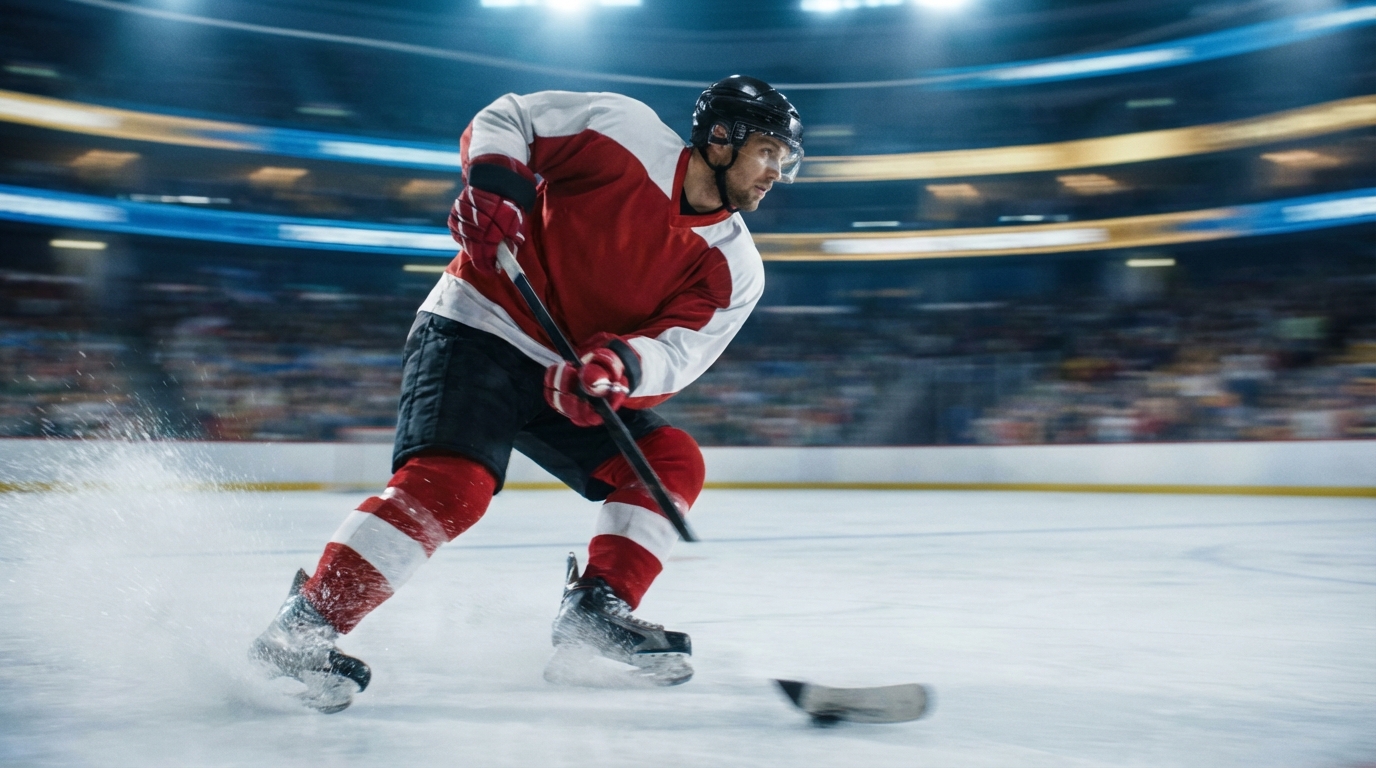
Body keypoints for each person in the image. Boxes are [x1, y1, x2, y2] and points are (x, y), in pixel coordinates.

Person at [249, 75, 804, 712]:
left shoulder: (737, 268)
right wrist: (496, 188)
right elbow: (511, 117)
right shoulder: (623, 130)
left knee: (672, 461)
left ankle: (597, 610)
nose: (773, 172)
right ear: (721, 138)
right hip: (479, 322)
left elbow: (679, 352)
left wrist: (616, 368)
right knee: (452, 487)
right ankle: (303, 628)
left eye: (781, 160)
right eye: (767, 152)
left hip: (568, 373)